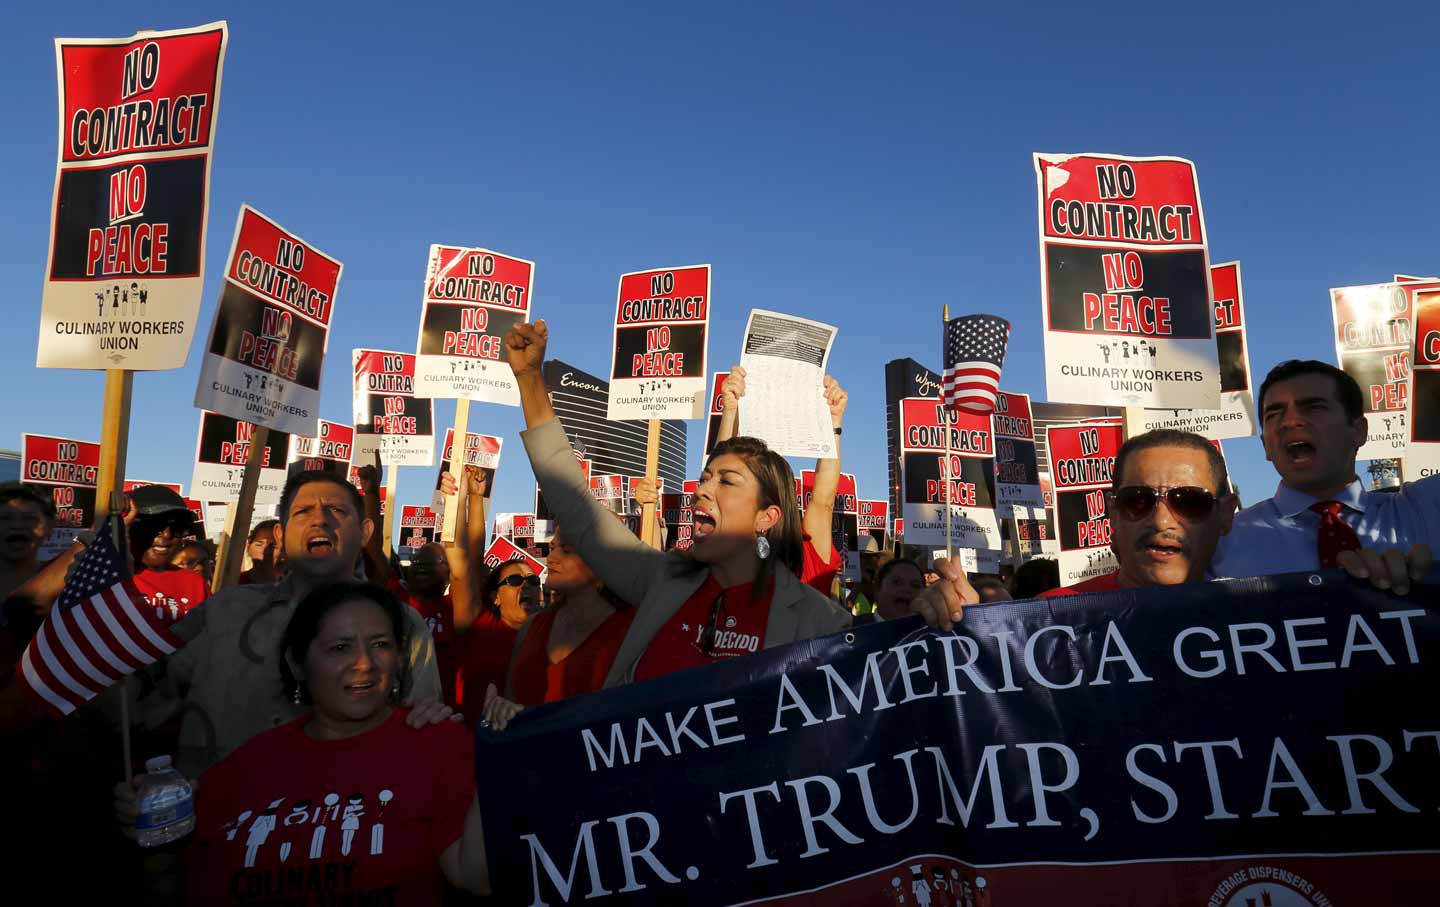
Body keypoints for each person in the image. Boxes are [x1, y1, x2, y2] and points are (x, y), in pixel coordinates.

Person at [507, 320, 850, 687]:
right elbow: (576, 506)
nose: (702, 490)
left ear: (767, 517)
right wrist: (529, 379)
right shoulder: (662, 581)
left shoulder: (821, 624)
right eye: (704, 479)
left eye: (726, 482)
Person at [113, 470, 445, 783]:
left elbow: (419, 730)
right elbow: (135, 707)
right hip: (216, 825)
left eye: (336, 510)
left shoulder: (401, 623)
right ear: (281, 535)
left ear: (365, 533)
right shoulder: (224, 612)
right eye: (303, 512)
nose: (320, 519)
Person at [187, 582, 489, 903]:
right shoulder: (241, 770)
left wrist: (502, 750)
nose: (364, 663)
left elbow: (476, 878)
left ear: (400, 658)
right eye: (340, 647)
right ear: (297, 663)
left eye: (381, 644)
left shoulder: (440, 744)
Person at [1212, 360, 1438, 583]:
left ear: (1358, 431)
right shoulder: (1219, 544)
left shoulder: (1423, 510)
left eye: (1314, 407)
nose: (1289, 421)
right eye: (1274, 414)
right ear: (1265, 445)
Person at [715, 363, 849, 596]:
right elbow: (718, 481)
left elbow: (823, 501)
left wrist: (833, 423)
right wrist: (730, 411)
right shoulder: (724, 549)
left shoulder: (807, 557)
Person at [506, 526, 636, 706]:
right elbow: (510, 699)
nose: (551, 559)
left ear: (603, 560)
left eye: (566, 551)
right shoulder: (532, 626)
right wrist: (501, 711)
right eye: (552, 548)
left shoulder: (633, 631)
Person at [456, 558, 536, 718]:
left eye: (533, 580)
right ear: (495, 597)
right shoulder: (479, 624)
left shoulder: (551, 631)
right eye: (514, 580)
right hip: (475, 738)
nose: (526, 585)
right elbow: (461, 569)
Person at [237, 519, 280, 585]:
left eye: (273, 546)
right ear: (248, 547)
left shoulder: (295, 586)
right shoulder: (236, 583)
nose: (265, 551)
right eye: (259, 545)